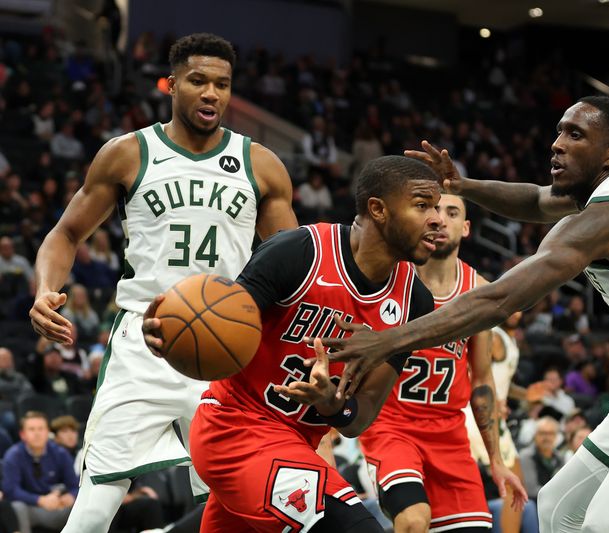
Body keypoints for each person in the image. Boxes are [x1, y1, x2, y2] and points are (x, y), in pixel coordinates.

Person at [319, 96, 609, 532]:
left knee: (604, 524)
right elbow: (534, 201)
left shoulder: (608, 218)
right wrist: (462, 187)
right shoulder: (604, 196)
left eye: (575, 135)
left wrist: (388, 339)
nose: (557, 143)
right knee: (557, 507)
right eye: (559, 132)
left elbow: (498, 301)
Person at [28, 33, 297, 533]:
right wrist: (45, 290)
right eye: (198, 81)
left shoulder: (261, 164)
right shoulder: (128, 153)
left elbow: (294, 266)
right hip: (144, 338)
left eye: (222, 84)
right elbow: (64, 234)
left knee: (238, 502)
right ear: (172, 85)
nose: (212, 93)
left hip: (227, 347)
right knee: (97, 500)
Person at [142, 155, 443, 532]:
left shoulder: (415, 302)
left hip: (297, 443)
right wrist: (170, 335)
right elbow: (214, 326)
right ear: (378, 209)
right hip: (237, 429)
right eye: (422, 205)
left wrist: (333, 404)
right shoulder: (300, 252)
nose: (437, 218)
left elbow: (359, 417)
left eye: (438, 207)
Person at [358, 194, 525, 533]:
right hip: (392, 427)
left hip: (449, 435)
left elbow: (481, 380)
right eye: (434, 211)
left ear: (465, 228)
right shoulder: (392, 277)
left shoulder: (478, 291)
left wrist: (495, 458)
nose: (441, 219)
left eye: (452, 212)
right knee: (414, 520)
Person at [466, 309, 527, 533]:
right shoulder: (495, 336)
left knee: (467, 480)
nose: (516, 312)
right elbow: (468, 368)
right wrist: (491, 400)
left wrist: (527, 395)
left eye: (520, 307)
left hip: (481, 413)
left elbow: (500, 381)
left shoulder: (507, 338)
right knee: (515, 483)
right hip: (480, 414)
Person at [2, 411, 78, 533]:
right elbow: (11, 490)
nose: (37, 433)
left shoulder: (60, 453)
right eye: (32, 429)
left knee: (83, 505)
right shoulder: (13, 455)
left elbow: (75, 485)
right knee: (17, 507)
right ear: (23, 434)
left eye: (41, 429)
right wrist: (40, 500)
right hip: (31, 507)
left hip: (58, 506)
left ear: (47, 432)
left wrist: (71, 496)